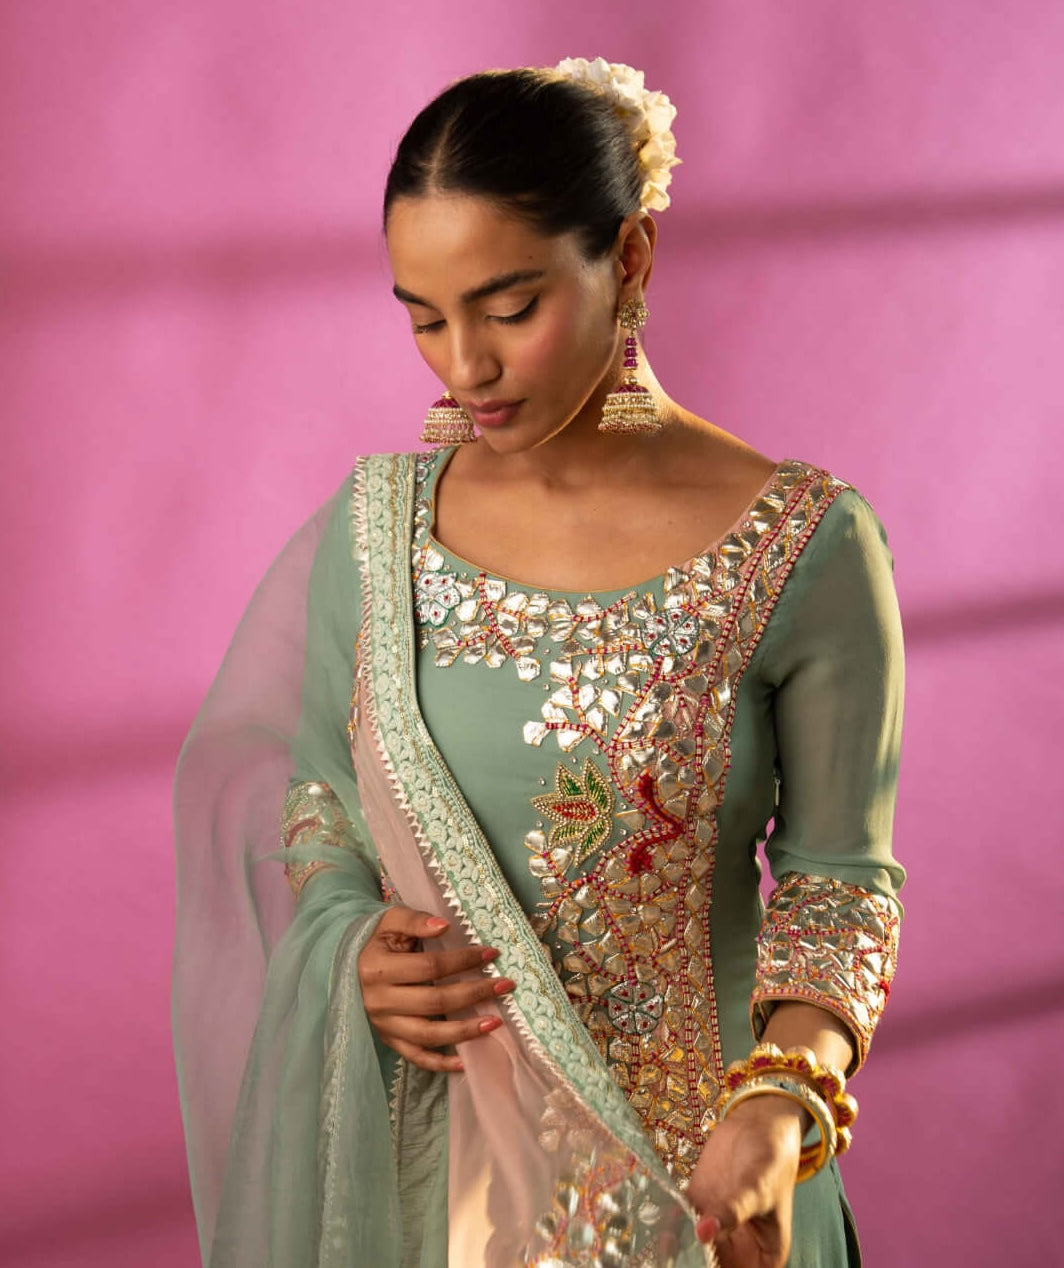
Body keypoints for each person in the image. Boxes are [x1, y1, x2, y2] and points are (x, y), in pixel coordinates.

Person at [173, 57, 904, 1268]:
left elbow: (837, 886)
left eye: (507, 308)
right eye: (423, 317)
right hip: (445, 1191)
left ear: (628, 257)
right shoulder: (376, 535)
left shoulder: (805, 545)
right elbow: (320, 803)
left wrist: (780, 1106)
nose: (462, 365)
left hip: (707, 1176)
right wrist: (352, 949)